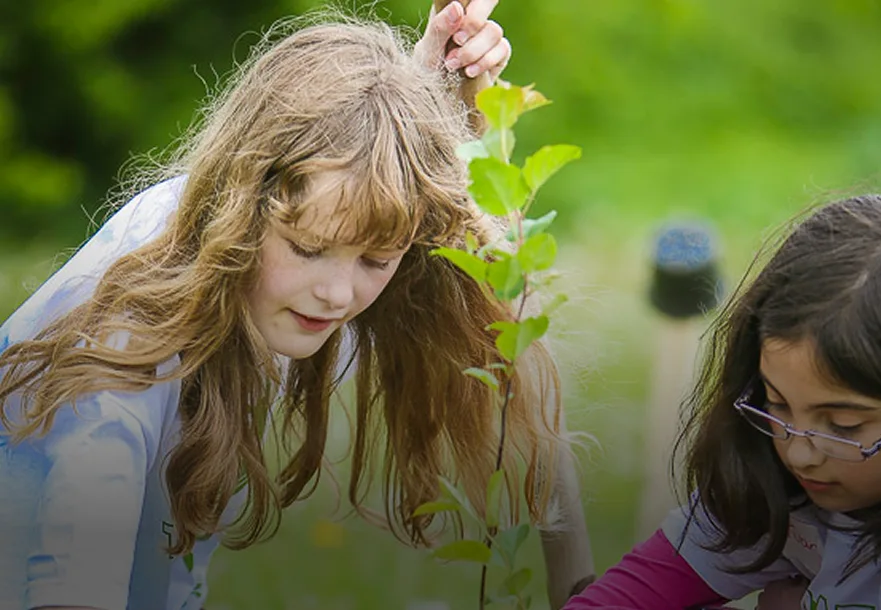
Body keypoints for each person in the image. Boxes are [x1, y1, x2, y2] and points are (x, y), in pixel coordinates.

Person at [0, 3, 595, 609]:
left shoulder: (267, 277)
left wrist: (428, 117)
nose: (339, 294)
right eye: (309, 248)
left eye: (376, 258)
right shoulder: (117, 360)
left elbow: (511, 357)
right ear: (241, 207)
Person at [564, 195, 881, 609]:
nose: (800, 451)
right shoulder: (780, 480)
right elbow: (628, 596)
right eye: (775, 403)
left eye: (843, 424)